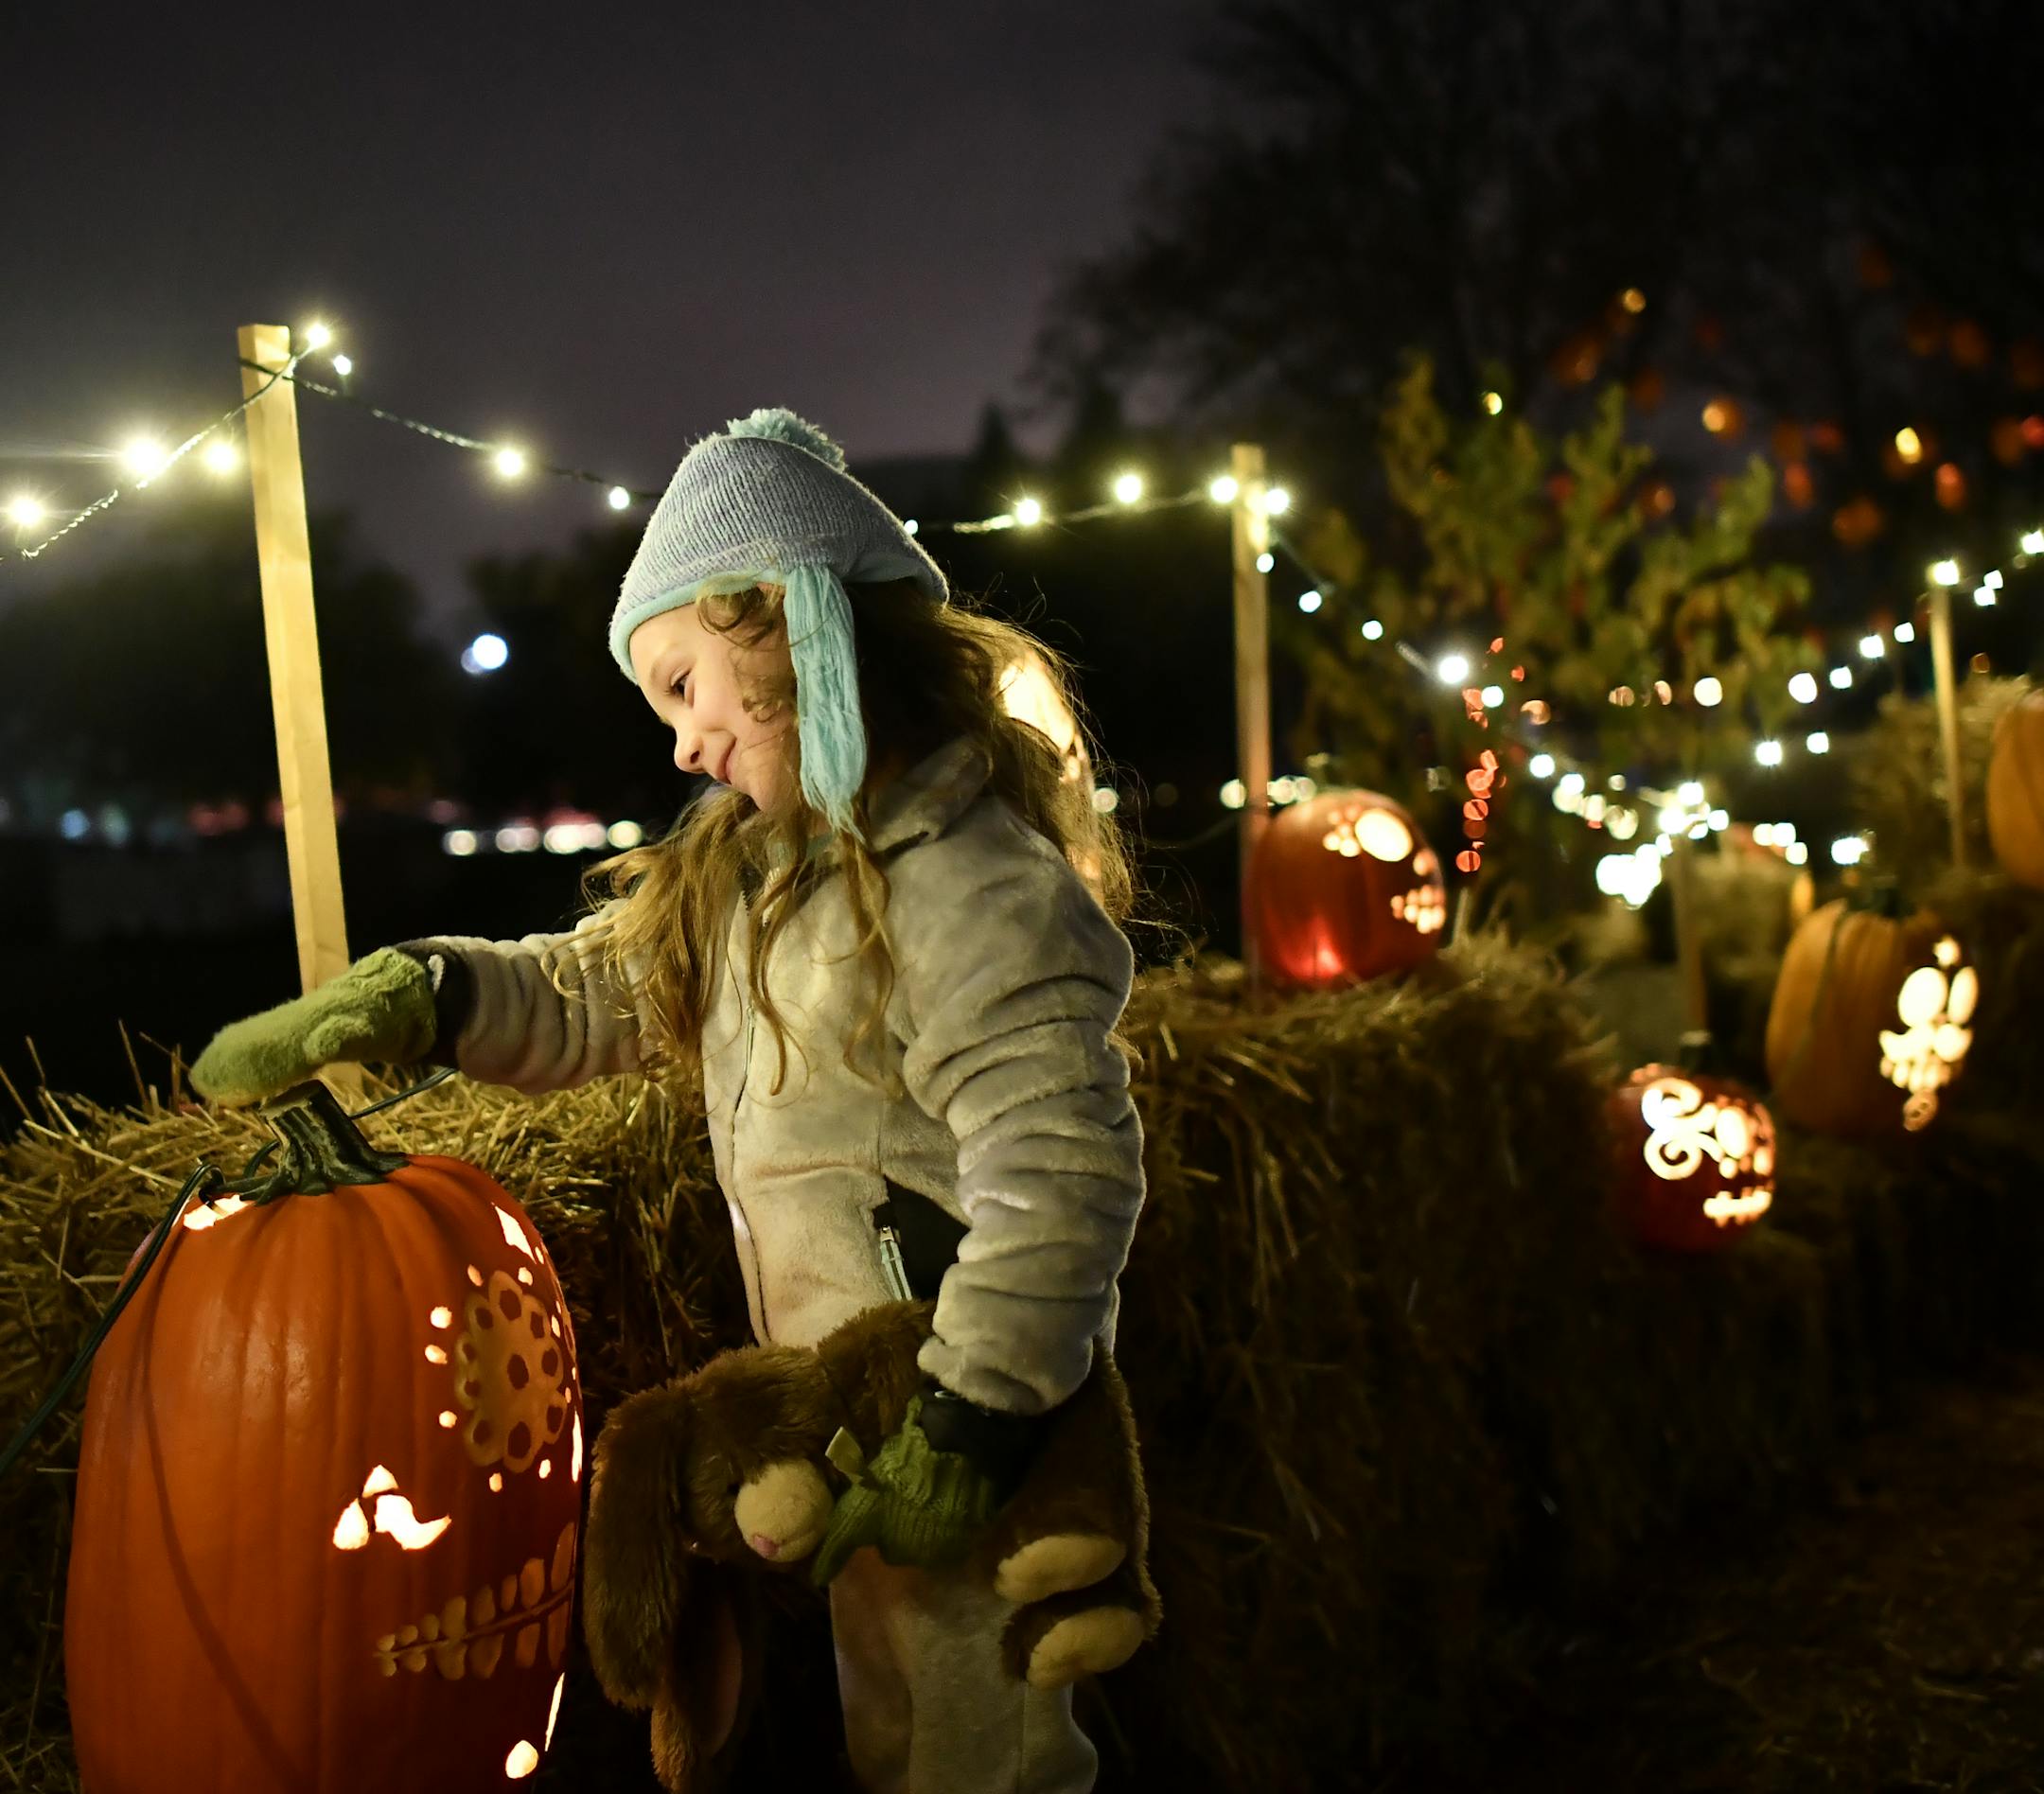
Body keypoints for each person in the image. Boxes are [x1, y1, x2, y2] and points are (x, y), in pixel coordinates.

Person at [190, 406, 1151, 1793]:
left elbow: (1060, 1163)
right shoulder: (764, 875)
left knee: (980, 1746)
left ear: (793, 628)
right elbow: (599, 992)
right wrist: (431, 993)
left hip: (956, 1399)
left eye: (689, 684)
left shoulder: (969, 883)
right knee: (899, 1728)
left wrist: (978, 1413)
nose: (688, 745)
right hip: (856, 1407)